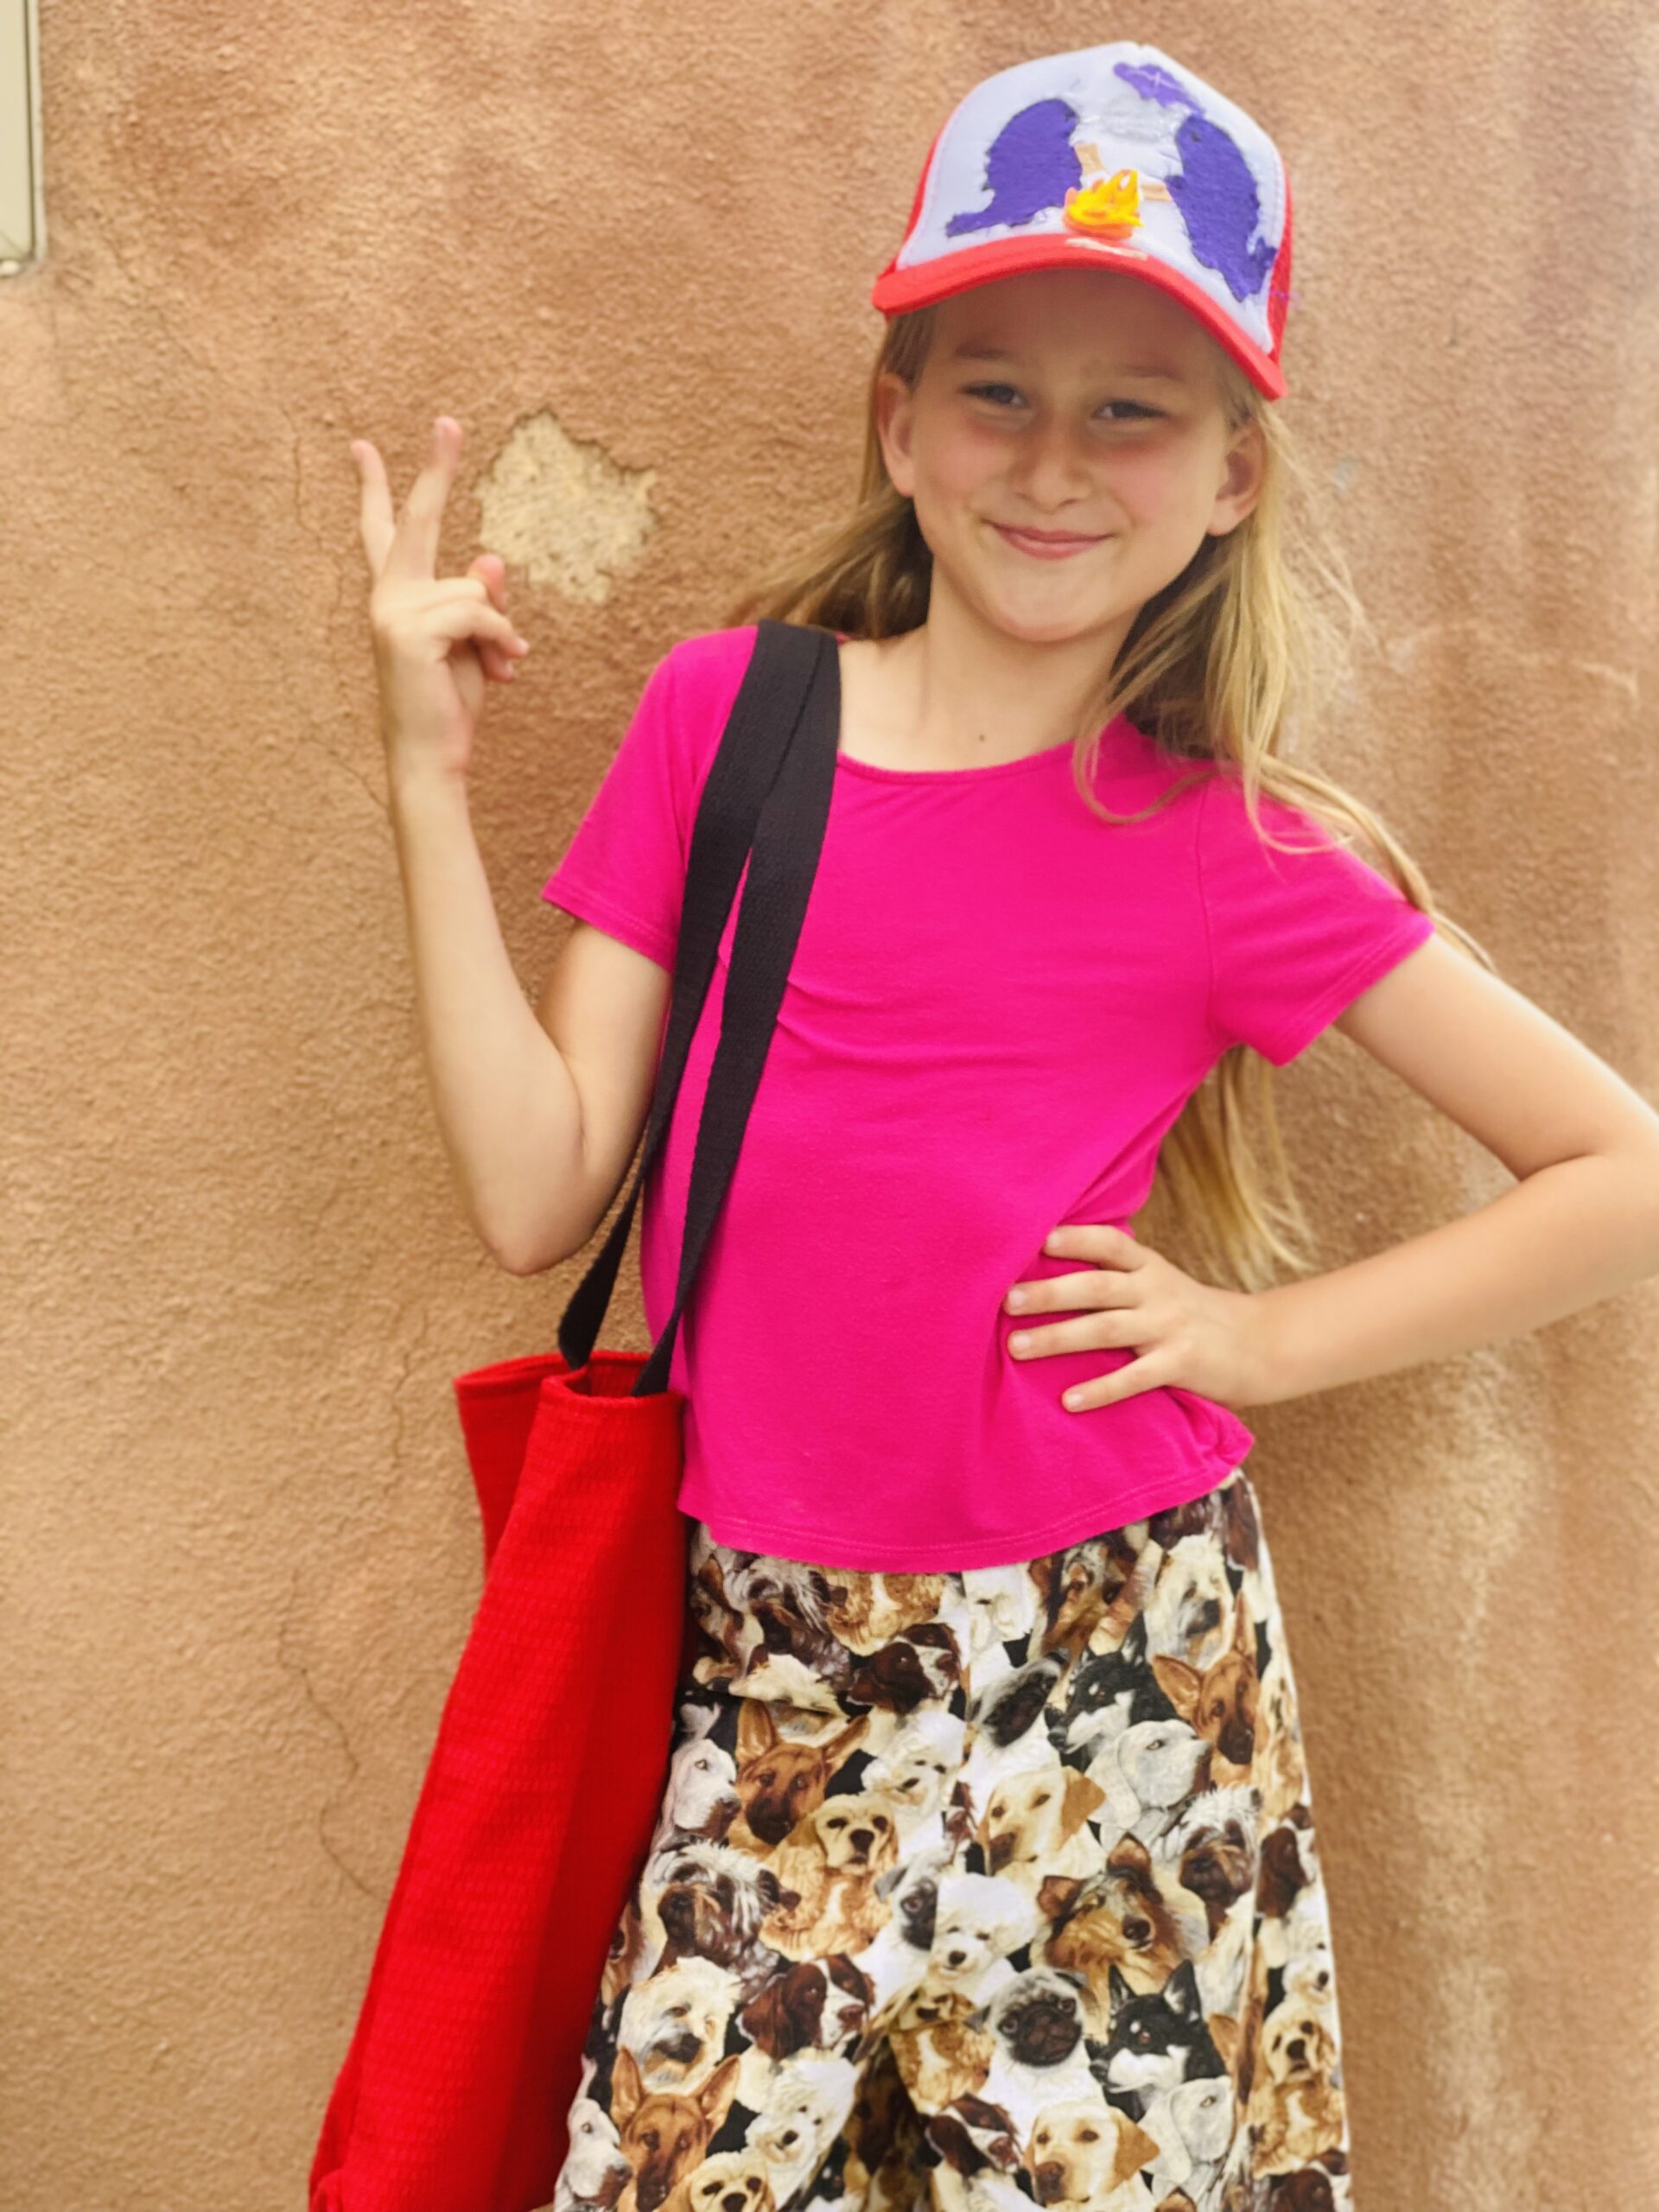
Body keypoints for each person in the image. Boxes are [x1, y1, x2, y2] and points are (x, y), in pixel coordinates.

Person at [348, 40, 1659, 2212]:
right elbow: (535, 1187)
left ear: (1235, 472)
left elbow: (1619, 1169)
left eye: (1134, 405)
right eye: (997, 388)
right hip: (776, 1668)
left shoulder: (1228, 848)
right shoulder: (732, 720)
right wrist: (419, 778)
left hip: (1120, 1662)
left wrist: (1255, 1341)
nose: (1058, 461)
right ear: (899, 419)